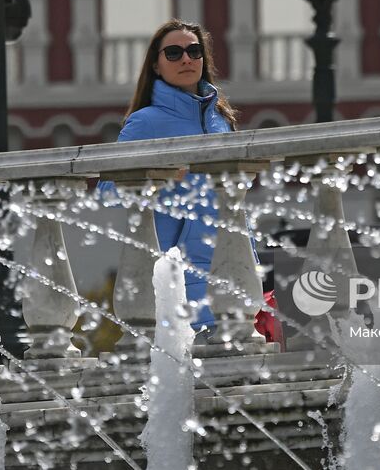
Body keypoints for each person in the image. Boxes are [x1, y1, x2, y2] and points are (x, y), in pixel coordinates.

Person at [109, 19, 278, 342]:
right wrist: (167, 175)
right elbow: (109, 190)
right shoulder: (144, 122)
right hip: (182, 286)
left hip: (232, 274)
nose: (186, 59)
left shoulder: (221, 119)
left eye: (194, 51)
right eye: (173, 53)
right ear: (156, 66)